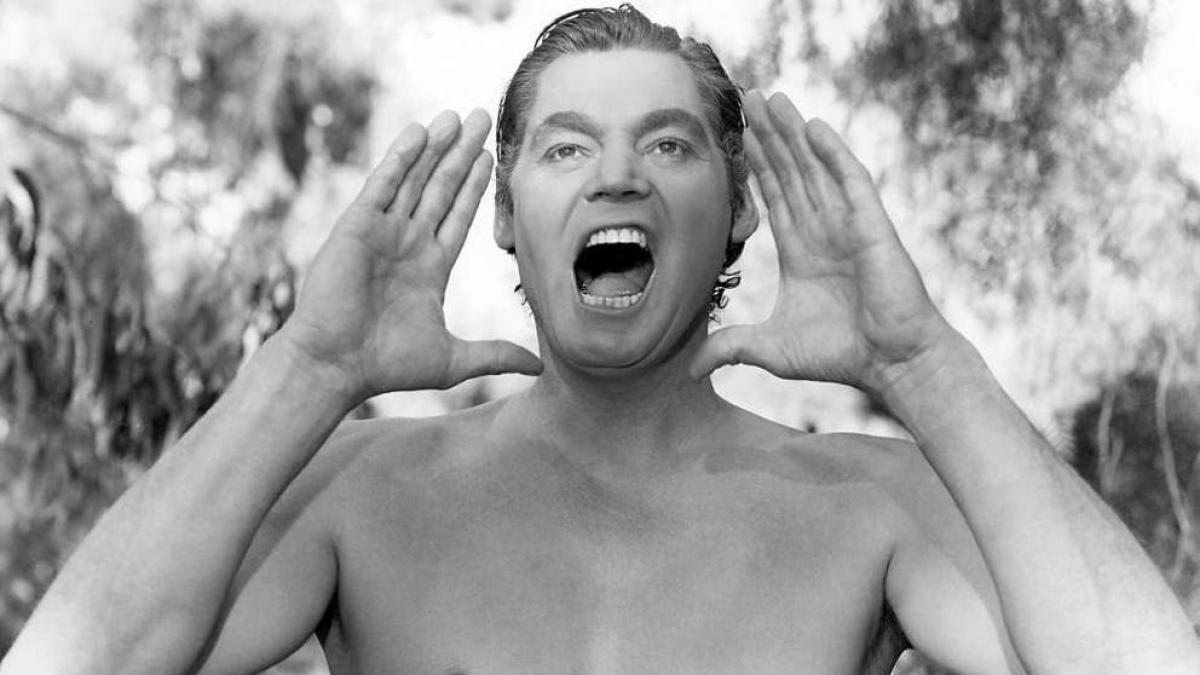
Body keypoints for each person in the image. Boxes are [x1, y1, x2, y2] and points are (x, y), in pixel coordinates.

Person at [4, 5, 1199, 674]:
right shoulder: (359, 494)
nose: (617, 174)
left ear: (737, 212)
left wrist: (923, 367)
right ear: (506, 215)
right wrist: (305, 372)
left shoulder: (873, 505)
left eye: (669, 145)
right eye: (567, 147)